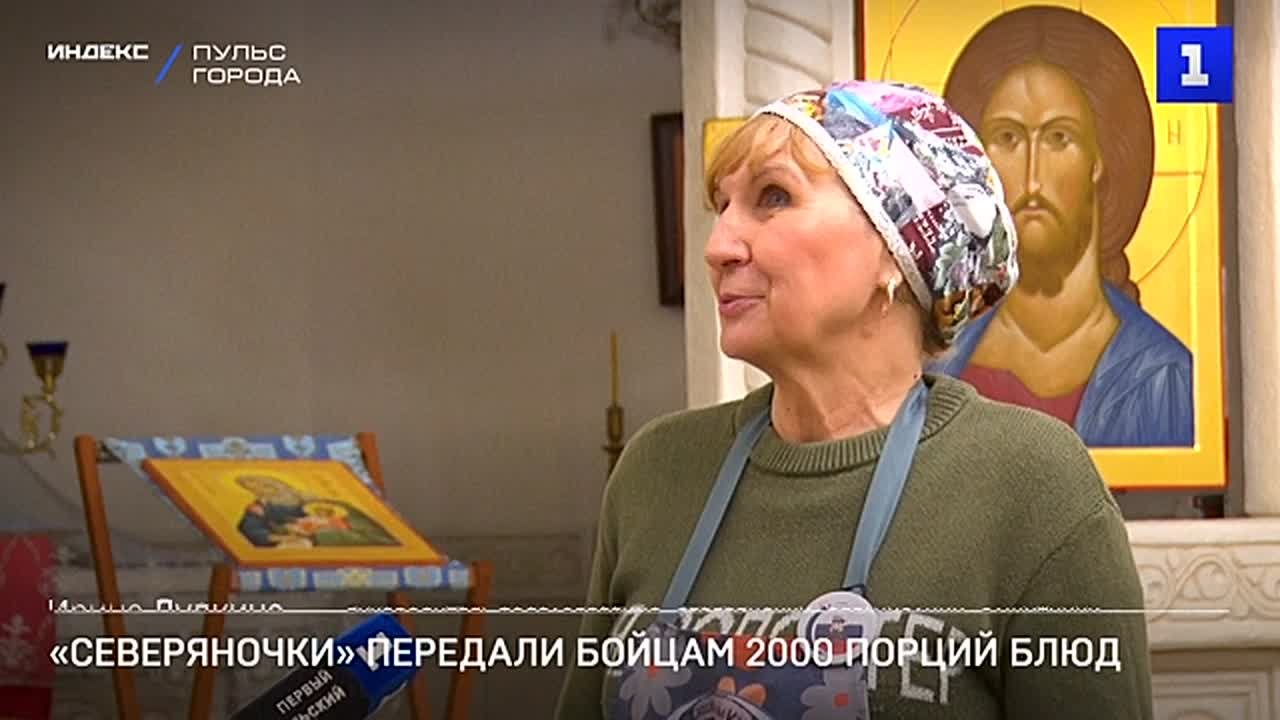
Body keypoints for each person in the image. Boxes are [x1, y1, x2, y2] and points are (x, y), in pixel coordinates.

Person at [555, 80, 1152, 719]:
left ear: (896, 252)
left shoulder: (1031, 485)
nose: (717, 246)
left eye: (773, 197)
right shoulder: (657, 471)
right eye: (722, 207)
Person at [934, 6, 1194, 447]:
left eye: (1059, 138)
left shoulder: (1161, 377)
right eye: (1008, 138)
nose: (1033, 177)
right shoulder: (935, 365)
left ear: (1100, 158)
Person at [233, 474, 399, 547]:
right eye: (255, 488)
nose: (265, 490)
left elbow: (371, 531)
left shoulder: (323, 503)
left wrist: (333, 525)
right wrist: (282, 536)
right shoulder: (260, 509)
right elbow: (251, 530)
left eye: (269, 485)